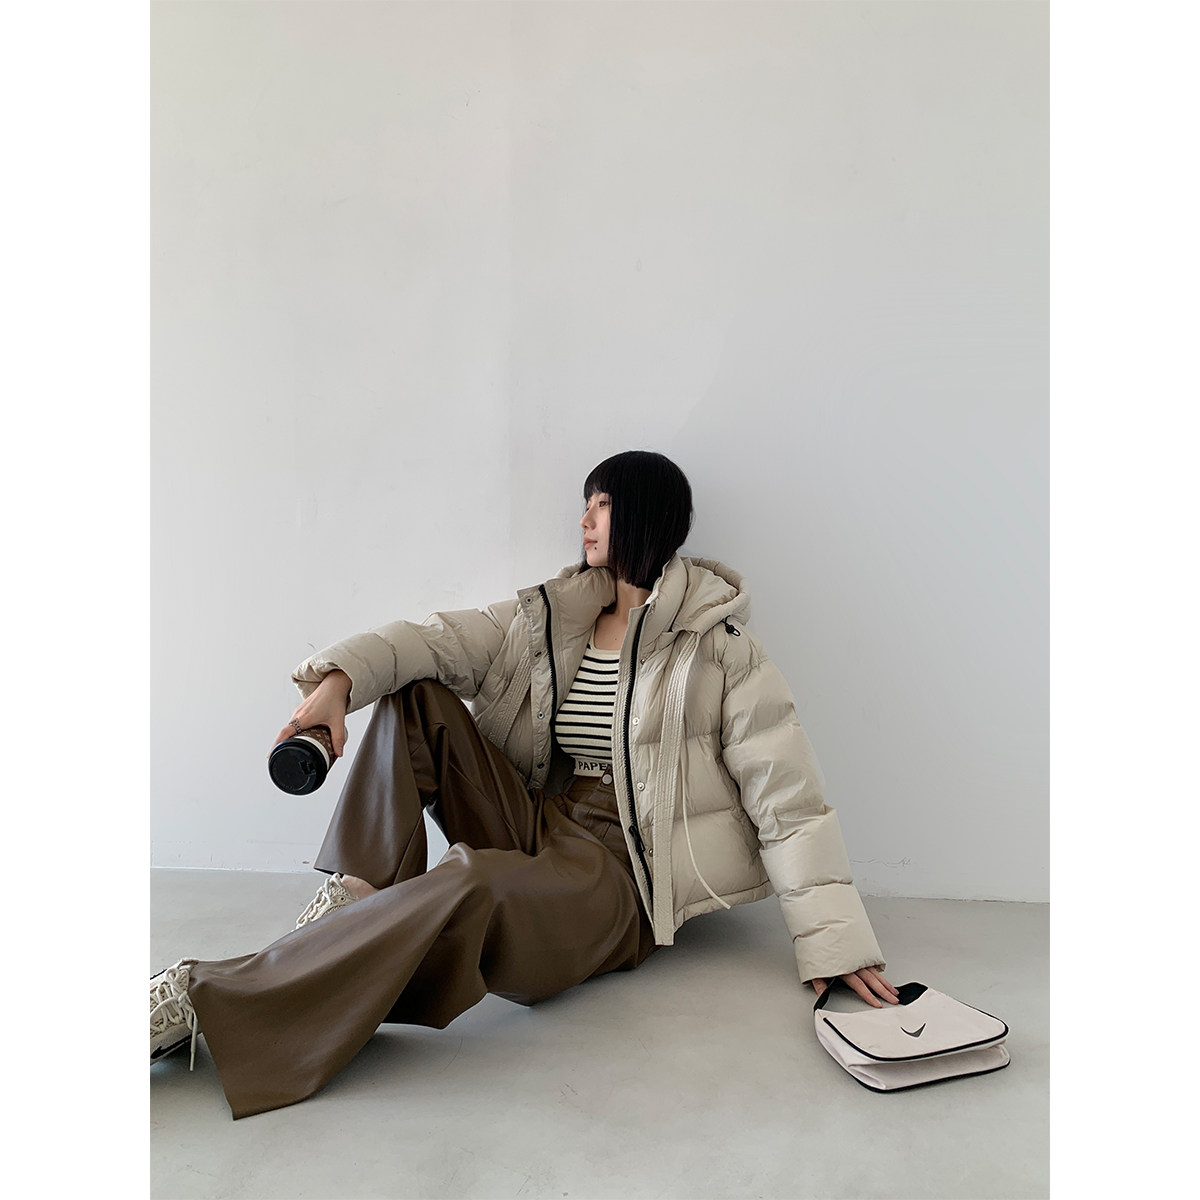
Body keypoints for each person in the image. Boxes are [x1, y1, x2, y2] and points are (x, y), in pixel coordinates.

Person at [150, 450, 896, 1119]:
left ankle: (204, 998)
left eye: (601, 505)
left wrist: (835, 944)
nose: (584, 521)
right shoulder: (556, 616)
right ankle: (355, 901)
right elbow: (433, 640)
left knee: (470, 878)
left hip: (620, 873)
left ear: (646, 512)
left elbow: (788, 798)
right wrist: (336, 685)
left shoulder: (720, 647)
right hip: (542, 818)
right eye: (585, 505)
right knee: (417, 697)